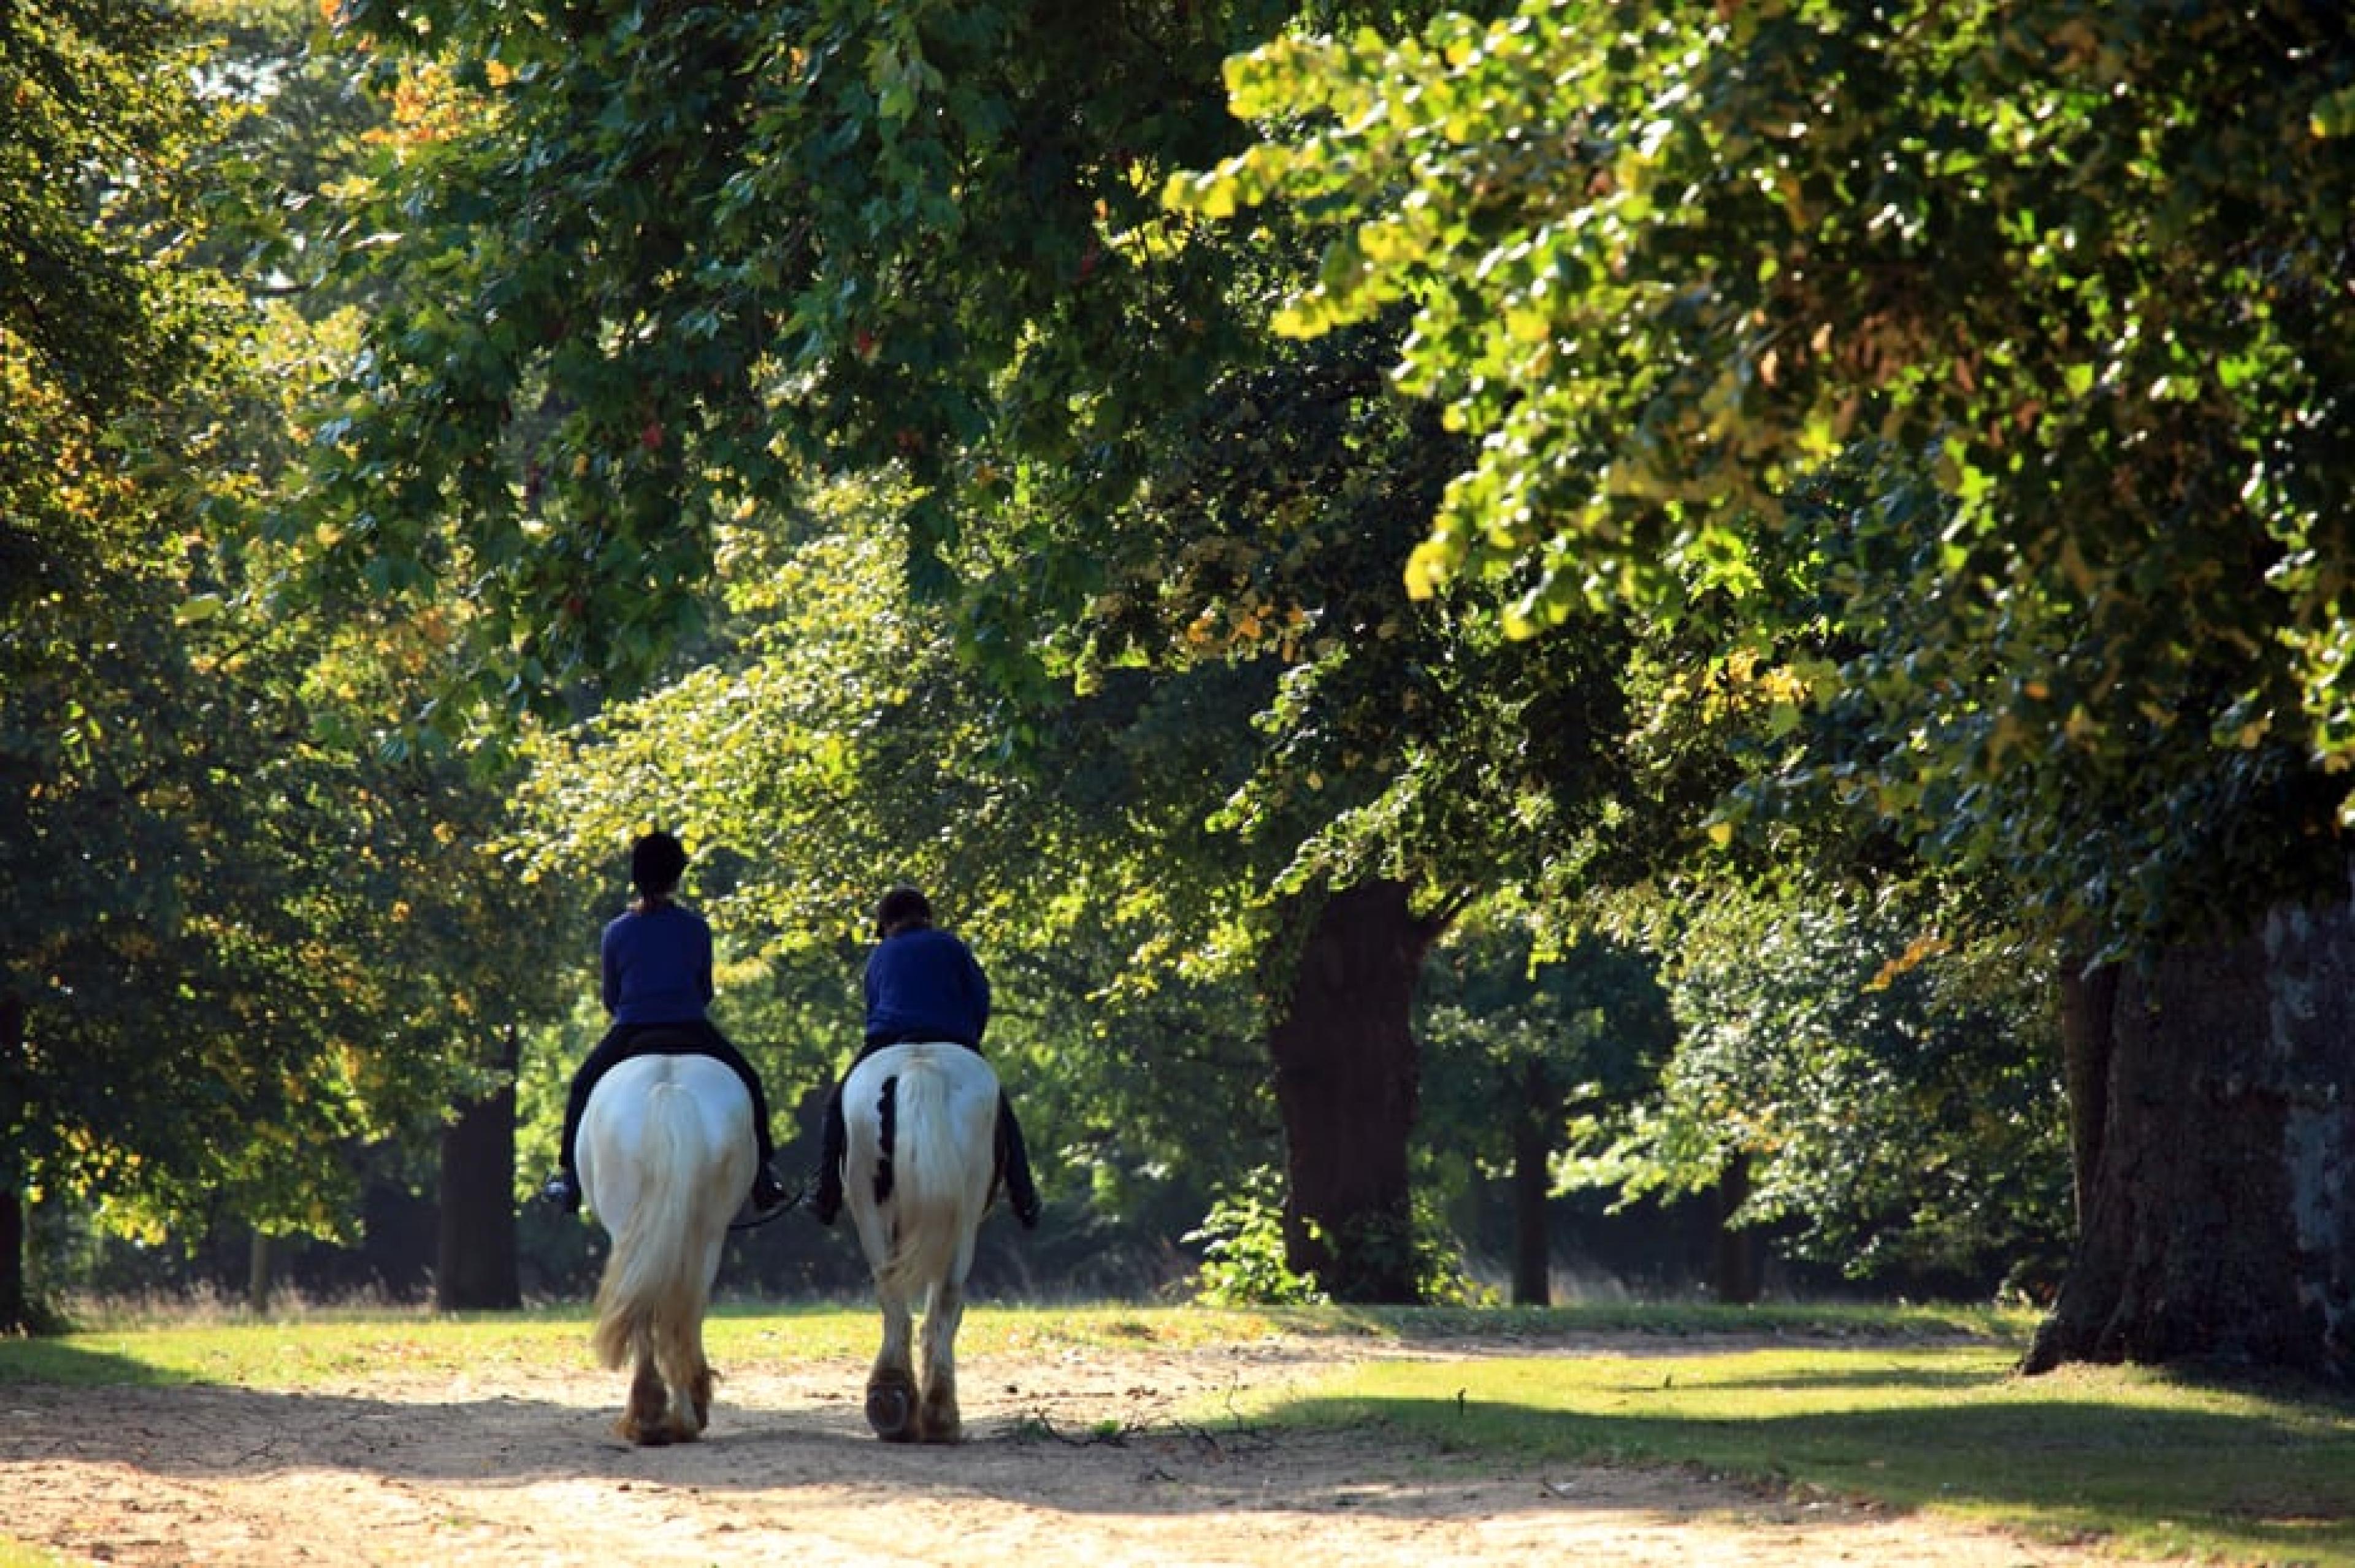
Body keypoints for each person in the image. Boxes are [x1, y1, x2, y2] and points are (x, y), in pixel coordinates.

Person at [539, 831, 795, 1222]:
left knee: (582, 1085)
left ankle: (570, 1179)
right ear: (676, 878)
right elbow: (704, 991)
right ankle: (763, 1175)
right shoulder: (695, 928)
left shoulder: (616, 931)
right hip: (691, 1027)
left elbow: (611, 998)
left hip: (631, 1031)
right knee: (749, 1079)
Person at [808, 885, 1042, 1229]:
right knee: (1002, 1114)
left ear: (887, 924)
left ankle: (826, 1192)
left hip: (888, 1040)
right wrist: (968, 1039)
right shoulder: (952, 946)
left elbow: (874, 1008)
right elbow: (980, 997)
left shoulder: (880, 955)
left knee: (835, 1107)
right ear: (927, 917)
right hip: (951, 1037)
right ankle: (1024, 1195)